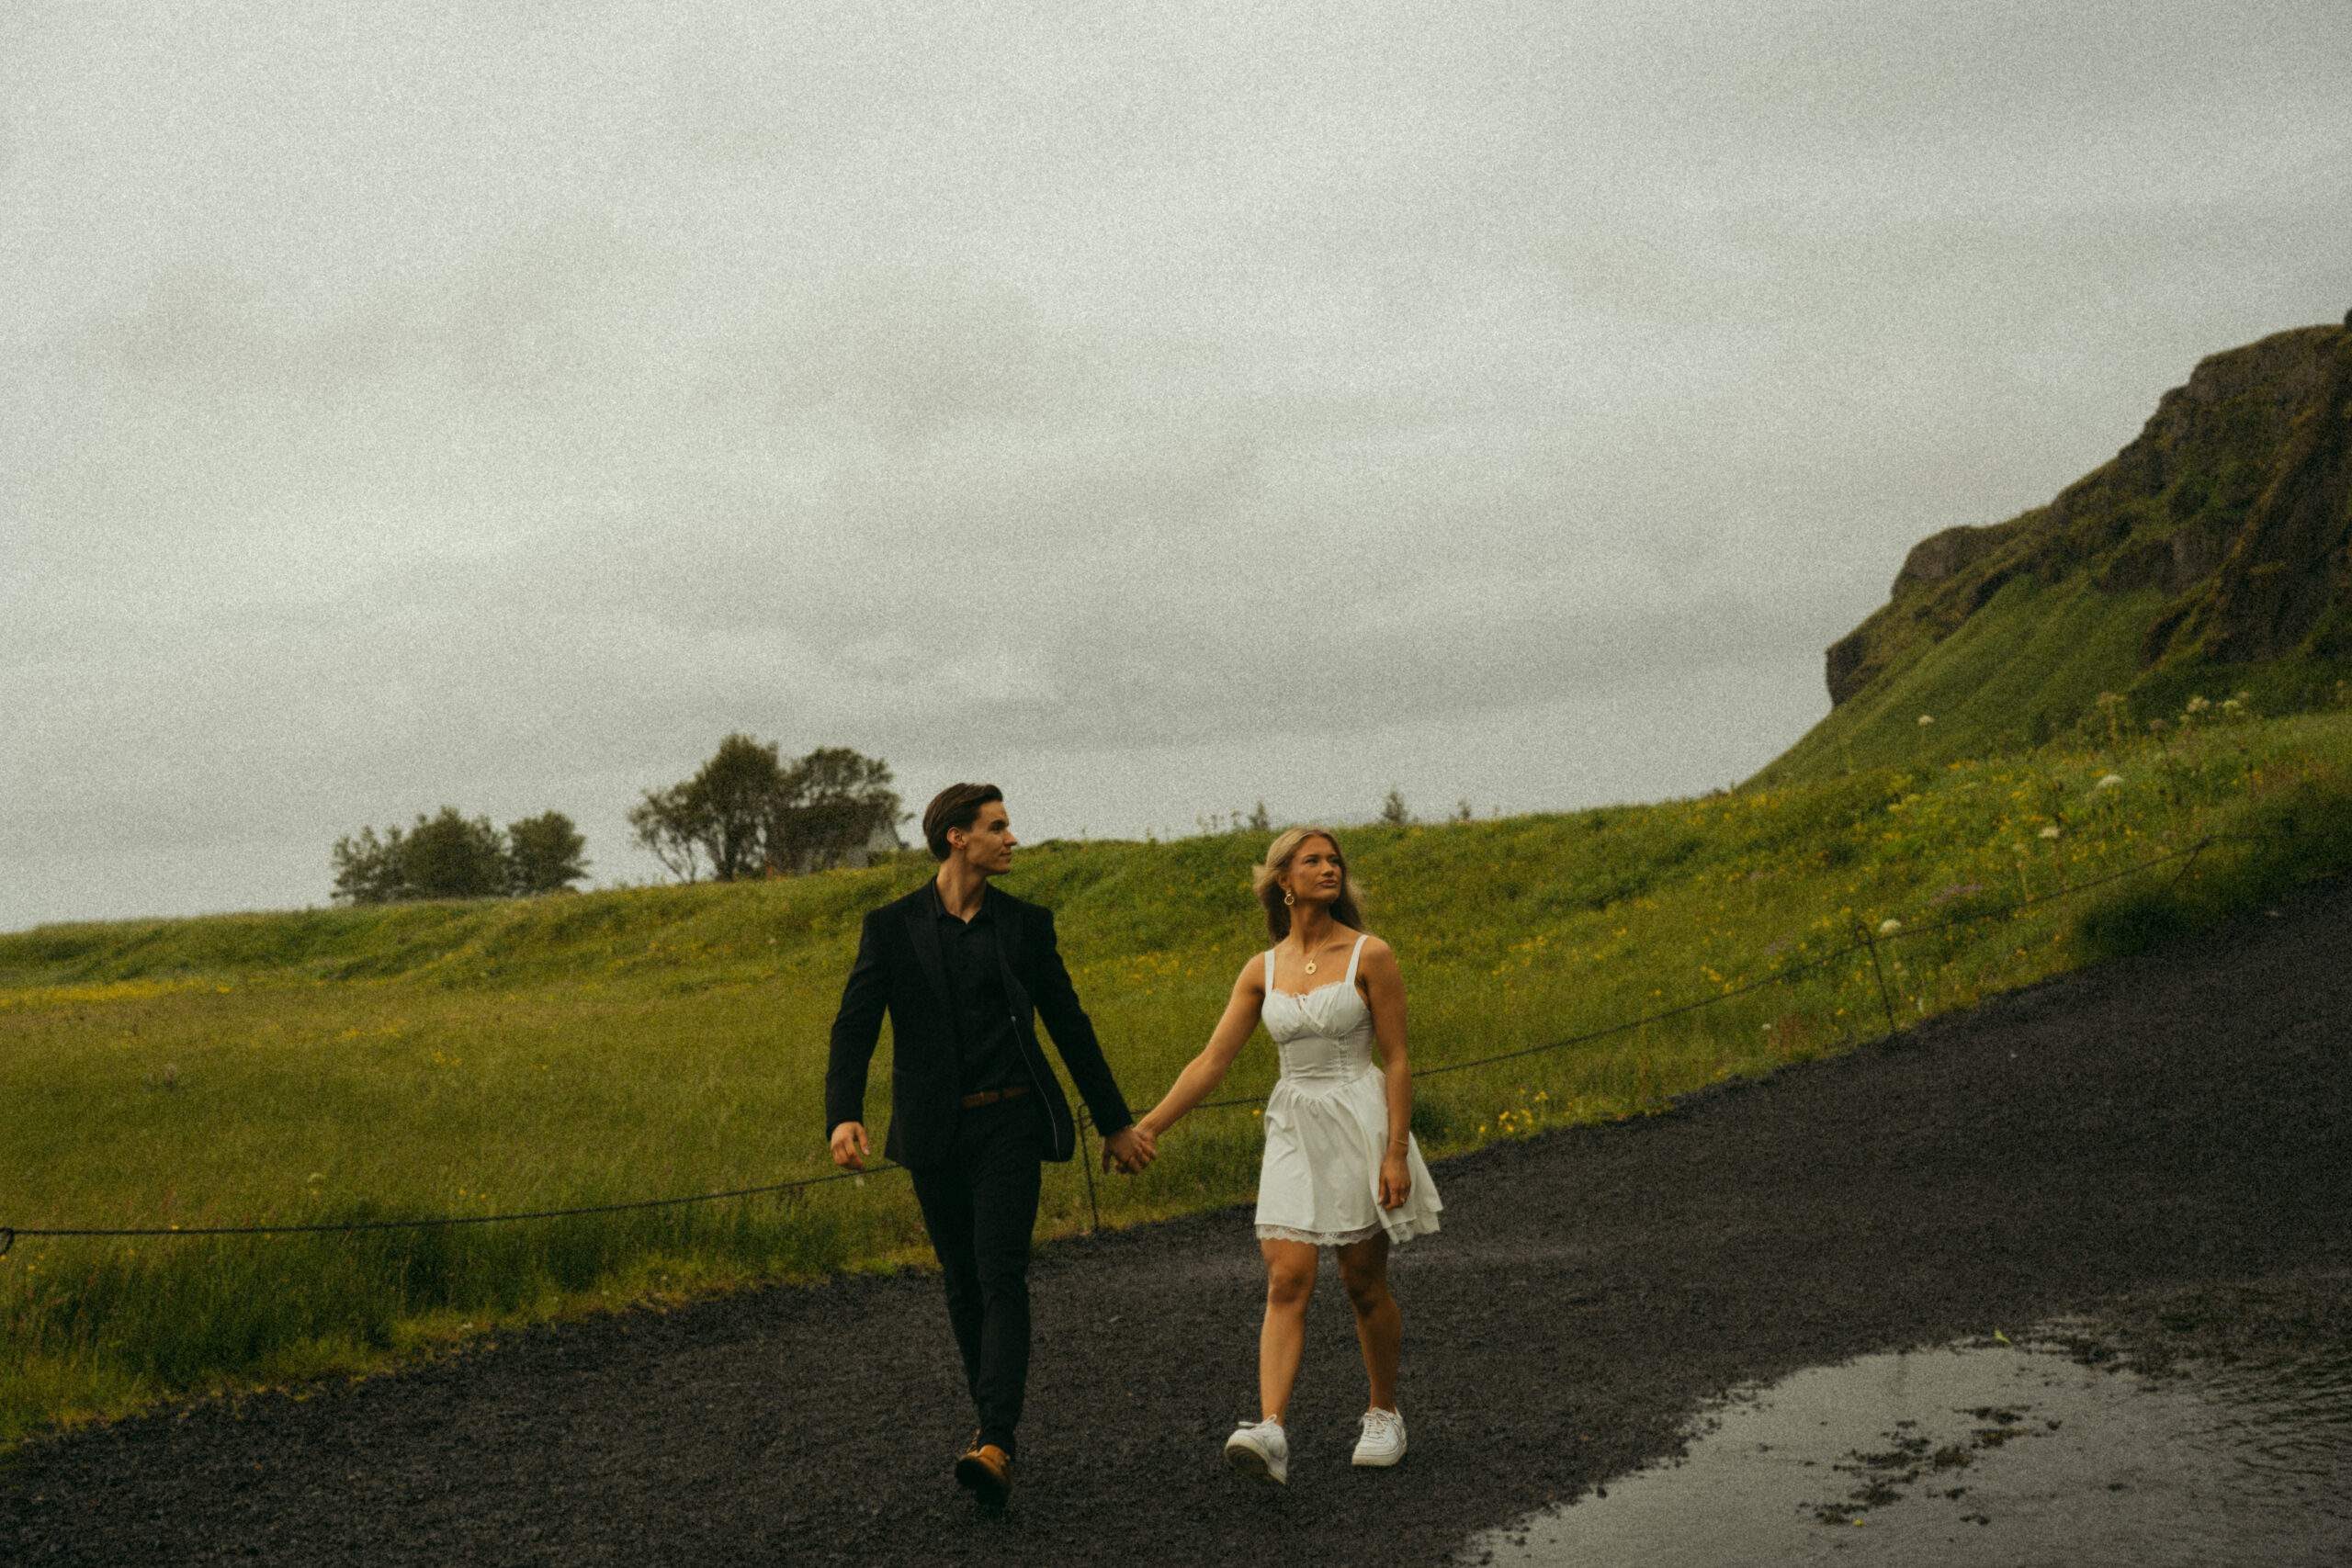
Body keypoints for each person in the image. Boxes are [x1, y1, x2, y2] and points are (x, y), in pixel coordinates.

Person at [825, 783, 1154, 1511]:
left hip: (1011, 1122)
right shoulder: (891, 926)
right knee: (962, 1282)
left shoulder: (1026, 925)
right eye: (997, 826)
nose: (1012, 839)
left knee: (1000, 1270)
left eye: (1008, 826)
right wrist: (842, 1114)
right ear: (956, 837)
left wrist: (1114, 1121)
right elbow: (855, 1025)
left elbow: (1069, 1023)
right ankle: (990, 1431)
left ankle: (997, 1437)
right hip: (932, 1130)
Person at [1135, 826, 1440, 1484]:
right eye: (1313, 860)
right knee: (1285, 1279)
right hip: (1293, 1127)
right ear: (1284, 880)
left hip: (1360, 1123)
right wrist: (1151, 1126)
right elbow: (1212, 1060)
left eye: (1335, 860)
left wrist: (1395, 1152)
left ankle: (1384, 1412)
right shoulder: (1262, 968)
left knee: (1362, 1283)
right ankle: (1271, 1429)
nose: (1329, 868)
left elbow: (1397, 1059)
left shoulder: (1371, 953)